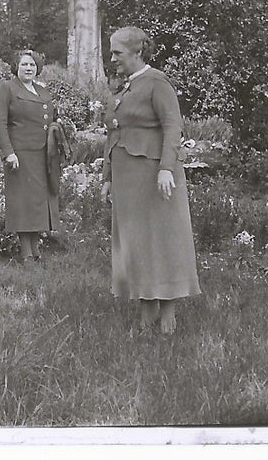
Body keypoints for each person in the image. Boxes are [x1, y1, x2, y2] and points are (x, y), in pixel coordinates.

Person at [101, 27, 201, 335]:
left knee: (163, 242)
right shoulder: (126, 86)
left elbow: (173, 126)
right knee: (137, 244)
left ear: (137, 52)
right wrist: (108, 177)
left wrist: (166, 169)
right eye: (112, 52)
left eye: (117, 52)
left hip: (154, 176)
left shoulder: (156, 82)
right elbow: (114, 134)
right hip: (128, 178)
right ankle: (146, 313)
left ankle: (168, 314)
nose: (112, 58)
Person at [0, 49, 68, 263]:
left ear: (38, 68)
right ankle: (26, 253)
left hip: (44, 155)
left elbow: (52, 116)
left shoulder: (43, 92)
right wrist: (8, 153)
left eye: (32, 65)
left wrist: (56, 130)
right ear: (16, 67)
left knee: (38, 203)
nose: (28, 68)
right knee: (24, 202)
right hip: (20, 155)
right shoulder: (6, 89)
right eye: (24, 64)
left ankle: (36, 250)